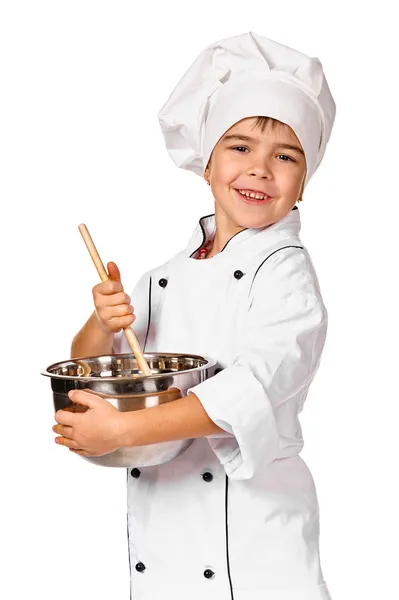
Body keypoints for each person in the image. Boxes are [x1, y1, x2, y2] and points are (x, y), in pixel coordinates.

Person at [53, 31, 336, 600]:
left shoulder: (286, 274)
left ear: (303, 183)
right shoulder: (165, 275)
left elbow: (250, 388)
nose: (260, 169)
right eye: (239, 148)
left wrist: (122, 430)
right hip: (165, 528)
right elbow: (96, 369)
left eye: (285, 156)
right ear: (205, 166)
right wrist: (103, 322)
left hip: (256, 539)